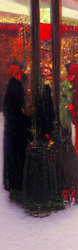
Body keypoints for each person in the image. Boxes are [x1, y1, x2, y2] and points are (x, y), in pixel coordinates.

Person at [2, 62, 31, 197]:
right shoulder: (16, 86)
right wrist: (26, 118)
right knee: (18, 157)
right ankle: (18, 185)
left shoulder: (10, 87)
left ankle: (12, 184)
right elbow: (17, 109)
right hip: (16, 129)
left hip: (11, 129)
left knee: (11, 157)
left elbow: (9, 110)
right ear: (17, 73)